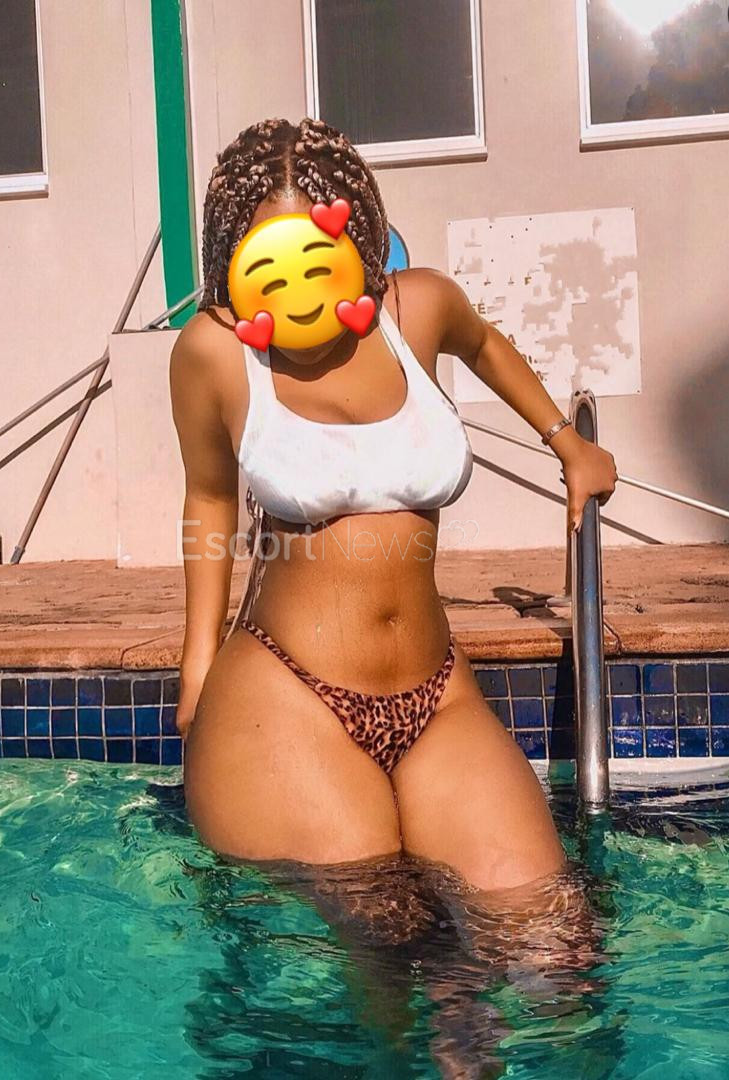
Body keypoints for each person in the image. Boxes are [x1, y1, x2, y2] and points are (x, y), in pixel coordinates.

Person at [170, 117, 618, 894]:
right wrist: (197, 660)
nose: (296, 286)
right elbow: (209, 498)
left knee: (551, 934)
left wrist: (566, 443)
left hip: (436, 694)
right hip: (286, 693)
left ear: (356, 237)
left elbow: (484, 344)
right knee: (389, 944)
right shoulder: (215, 351)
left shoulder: (418, 309)